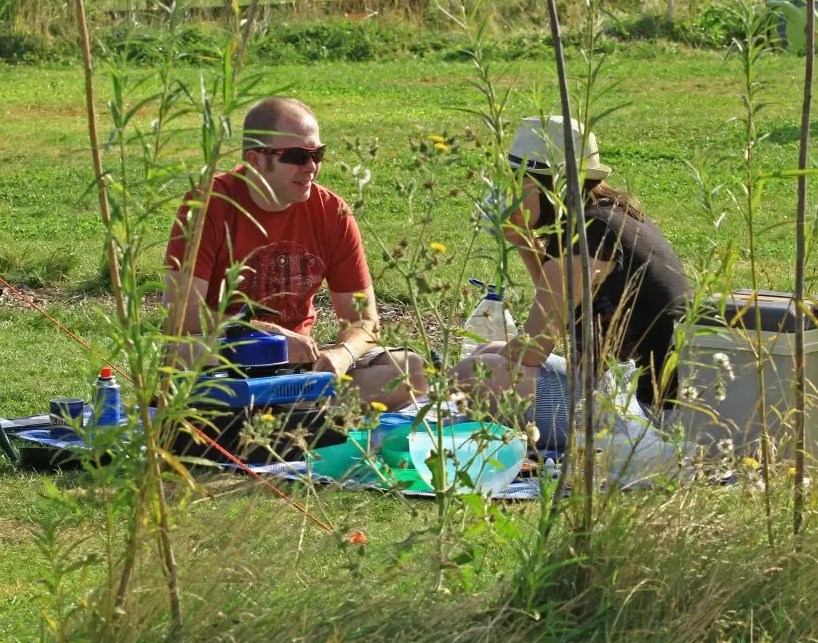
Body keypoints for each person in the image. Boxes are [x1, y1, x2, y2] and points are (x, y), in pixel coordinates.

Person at [163, 97, 425, 409]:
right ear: (255, 160)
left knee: (411, 370)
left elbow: (365, 320)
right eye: (298, 156)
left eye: (317, 154)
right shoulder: (208, 204)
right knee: (181, 354)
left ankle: (288, 406)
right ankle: (296, 407)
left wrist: (343, 355)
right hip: (227, 357)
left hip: (299, 365)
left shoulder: (332, 212)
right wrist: (269, 335)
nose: (311, 167)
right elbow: (182, 316)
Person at [455, 116, 691, 450]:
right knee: (484, 356)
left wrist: (490, 362)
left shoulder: (589, 238)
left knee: (471, 375)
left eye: (515, 182)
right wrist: (523, 241)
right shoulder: (605, 219)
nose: (506, 193)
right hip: (632, 394)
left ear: (551, 188)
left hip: (650, 419)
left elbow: (533, 350)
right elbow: (565, 308)